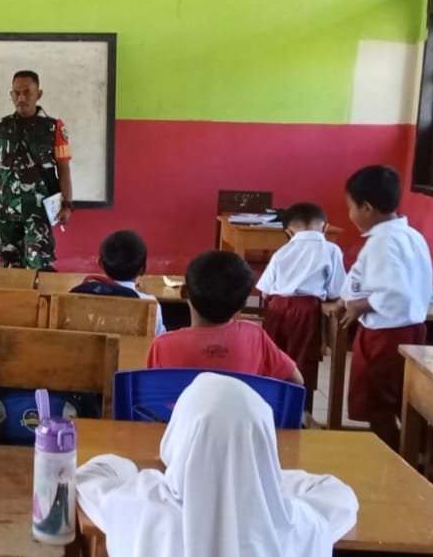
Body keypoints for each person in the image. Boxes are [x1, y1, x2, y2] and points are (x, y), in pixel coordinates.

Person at [76, 373, 359, 557]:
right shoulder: (297, 526)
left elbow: (92, 475)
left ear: (178, 436)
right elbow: (339, 496)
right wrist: (254, 477)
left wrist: (135, 470)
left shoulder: (142, 508)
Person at [340, 165, 432, 449]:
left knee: (378, 404)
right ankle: (414, 455)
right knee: (403, 399)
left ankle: (390, 458)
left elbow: (394, 293)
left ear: (367, 208)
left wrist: (358, 306)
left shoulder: (383, 243)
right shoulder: (412, 236)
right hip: (411, 328)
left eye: (350, 207)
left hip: (385, 335)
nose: (349, 214)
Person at [146, 251, 303, 384]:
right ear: (242, 304)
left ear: (184, 292)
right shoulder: (255, 336)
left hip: (182, 413)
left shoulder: (163, 344)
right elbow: (296, 380)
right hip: (240, 412)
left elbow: (148, 393)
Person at [0, 70, 72, 270]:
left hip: (38, 213)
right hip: (7, 212)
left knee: (39, 270)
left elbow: (64, 169)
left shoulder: (54, 128)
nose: (21, 98)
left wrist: (68, 204)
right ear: (11, 94)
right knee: (9, 270)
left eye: (27, 92)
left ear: (39, 94)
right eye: (17, 92)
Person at [256, 202, 345, 398]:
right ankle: (300, 405)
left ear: (288, 233)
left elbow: (264, 293)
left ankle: (271, 400)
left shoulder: (281, 252)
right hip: (307, 309)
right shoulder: (331, 250)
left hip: (277, 307)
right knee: (303, 358)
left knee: (274, 357)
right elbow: (337, 290)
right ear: (325, 227)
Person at [70, 229, 165, 335]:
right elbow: (159, 339)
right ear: (143, 269)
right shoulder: (150, 304)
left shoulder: (78, 296)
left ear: (101, 264)